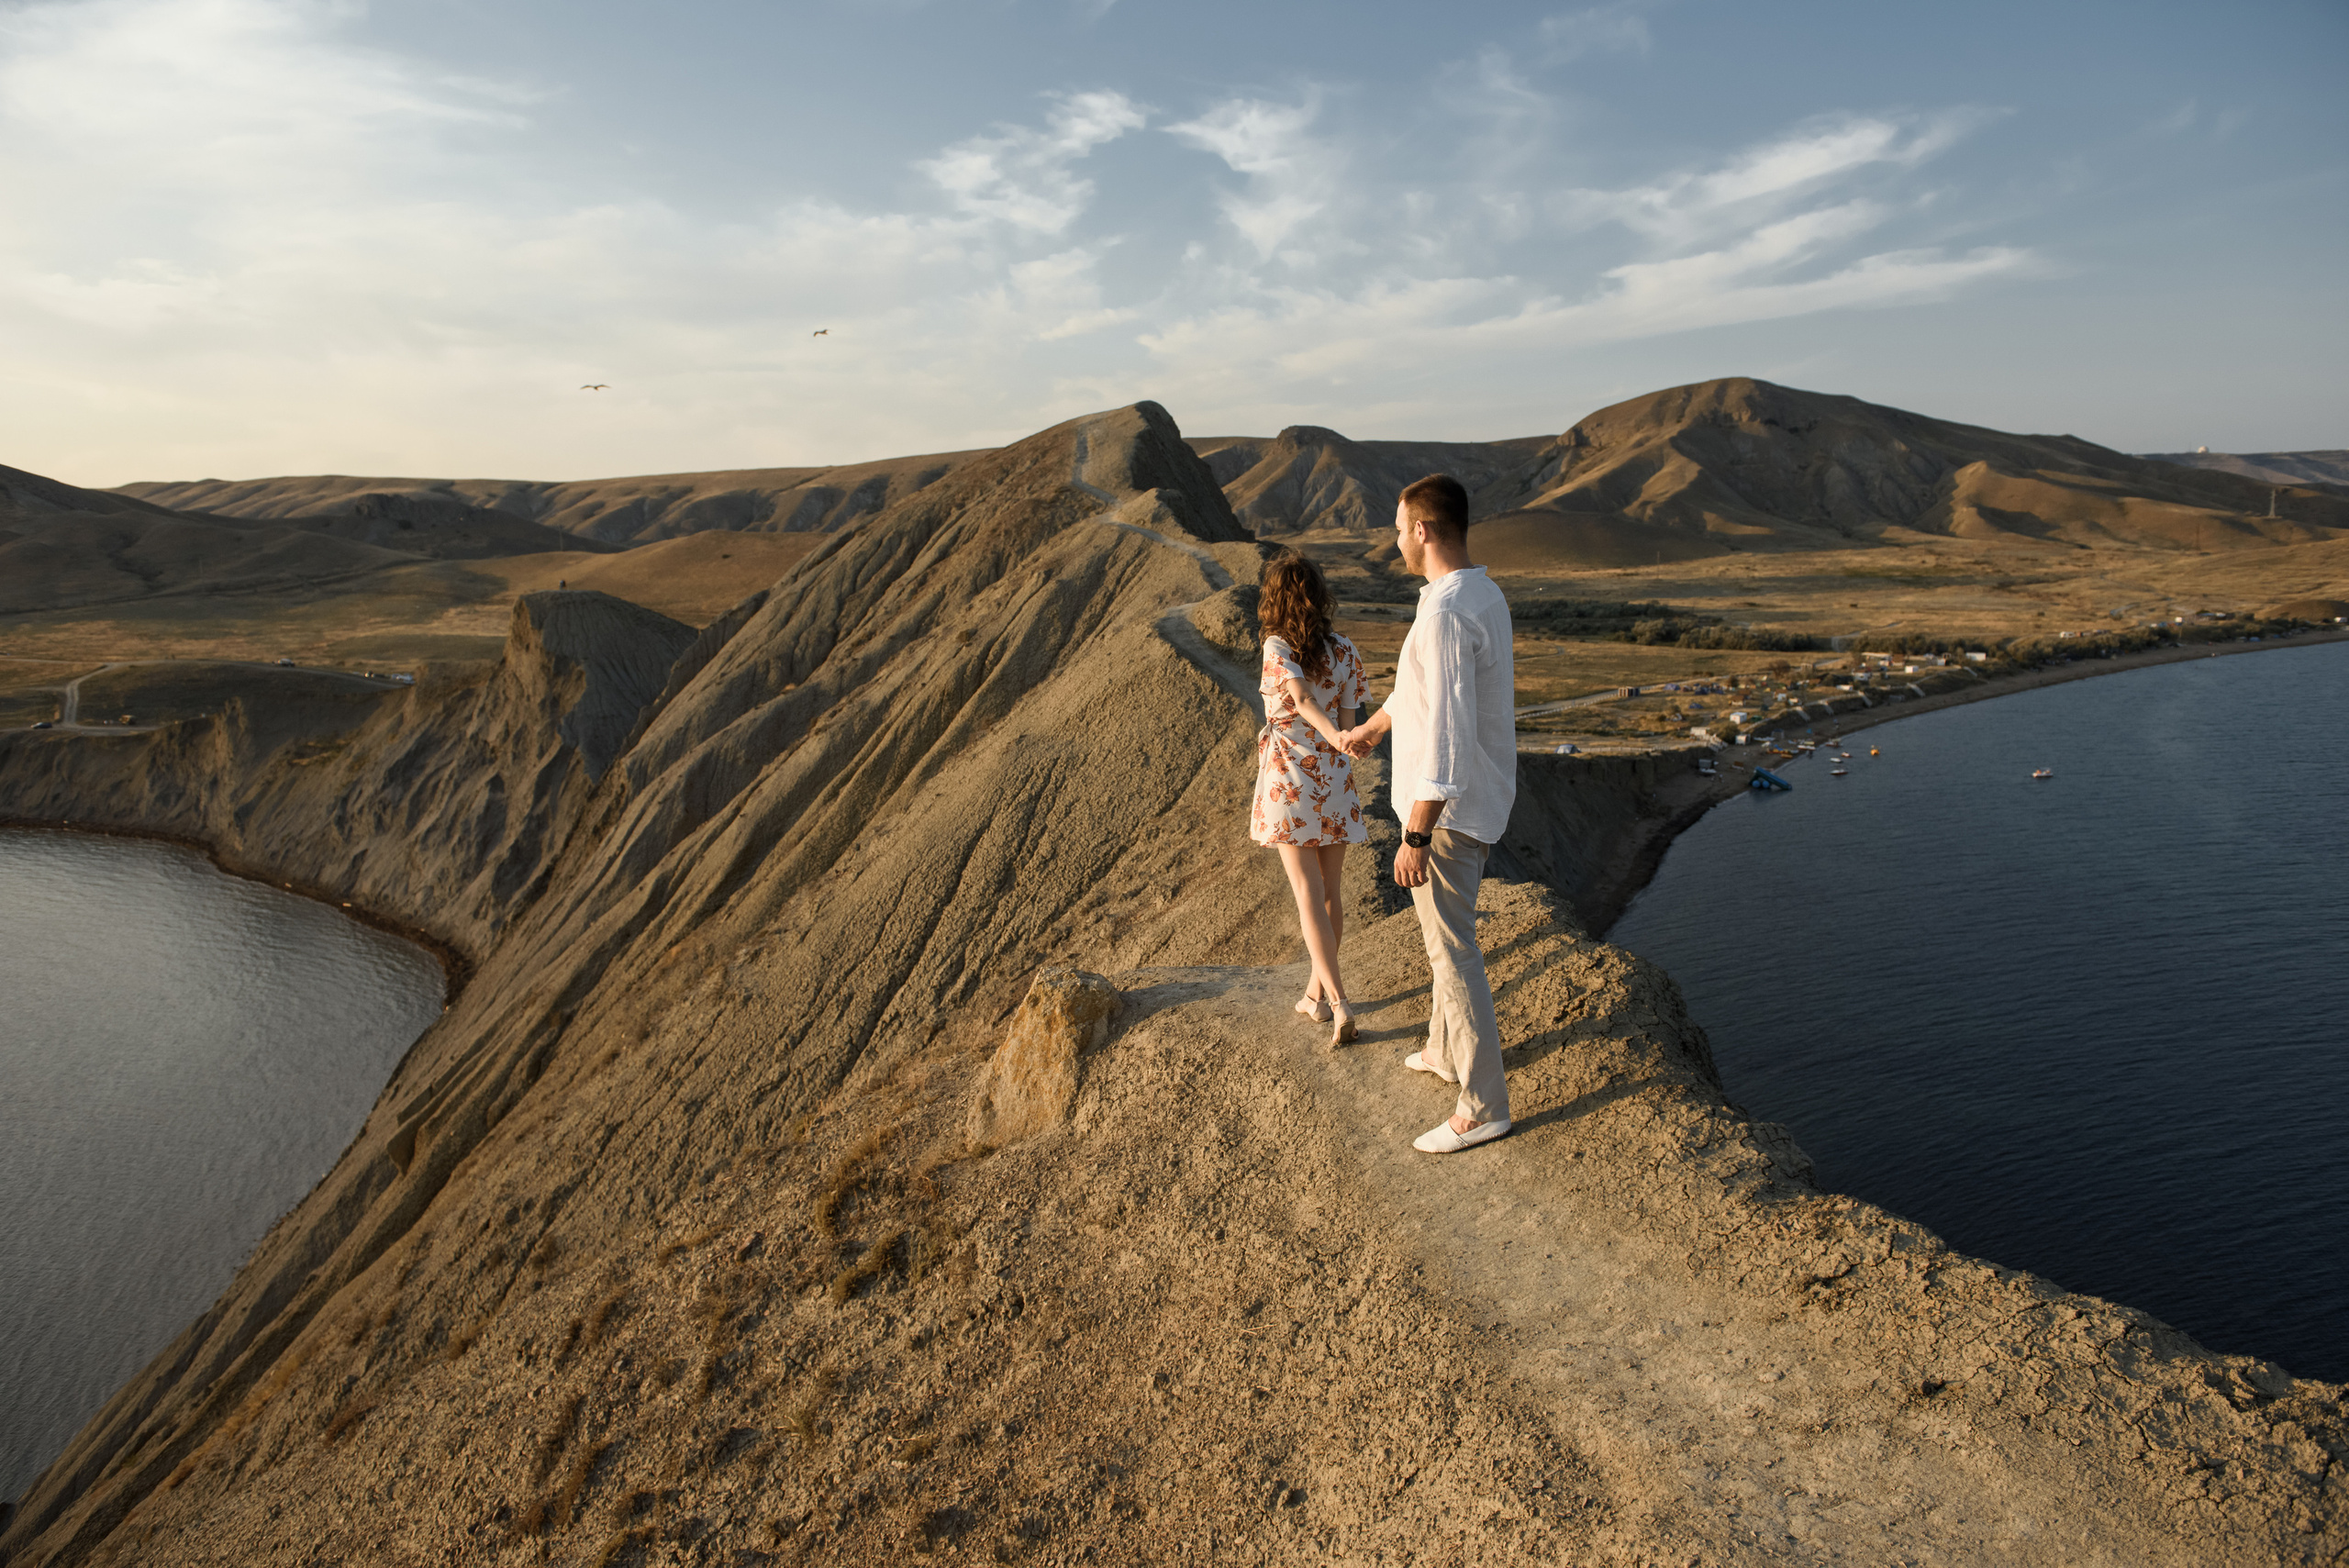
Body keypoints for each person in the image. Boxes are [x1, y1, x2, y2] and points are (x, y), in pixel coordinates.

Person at [1340, 474, 1517, 1152]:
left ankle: (1483, 1103)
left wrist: (1416, 832)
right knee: (1443, 946)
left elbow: (1445, 736)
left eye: (1398, 528)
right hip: (1469, 802)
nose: (1395, 541)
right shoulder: (1477, 593)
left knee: (1453, 951)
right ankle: (1445, 1053)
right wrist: (1379, 723)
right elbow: (1429, 690)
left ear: (1423, 530)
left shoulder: (1445, 612)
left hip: (1446, 813)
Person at [1250, 550, 1370, 1048]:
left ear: (1274, 601)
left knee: (1307, 896)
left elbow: (1300, 701)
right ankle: (1315, 996)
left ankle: (1339, 1002)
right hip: (1335, 781)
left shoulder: (1277, 646)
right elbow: (1346, 721)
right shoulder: (1344, 650)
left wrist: (1334, 738)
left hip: (1290, 781)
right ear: (1320, 597)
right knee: (1330, 893)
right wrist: (1344, 742)